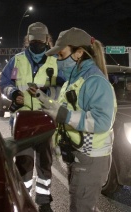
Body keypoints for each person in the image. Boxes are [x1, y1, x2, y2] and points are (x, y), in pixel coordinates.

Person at [35, 27, 117, 212]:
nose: (58, 60)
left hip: (90, 158)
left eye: (62, 55)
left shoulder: (94, 81)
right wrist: (45, 101)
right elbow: (65, 108)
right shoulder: (74, 80)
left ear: (79, 53)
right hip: (79, 156)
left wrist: (63, 115)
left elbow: (102, 121)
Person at [0, 22, 61, 212]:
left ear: (47, 40)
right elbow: (4, 82)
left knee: (45, 162)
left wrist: (47, 92)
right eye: (33, 40)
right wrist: (13, 93)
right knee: (23, 163)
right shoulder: (16, 60)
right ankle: (23, 198)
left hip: (45, 117)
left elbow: (63, 86)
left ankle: (43, 201)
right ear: (28, 40)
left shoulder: (55, 61)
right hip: (22, 120)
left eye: (41, 40)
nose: (37, 44)